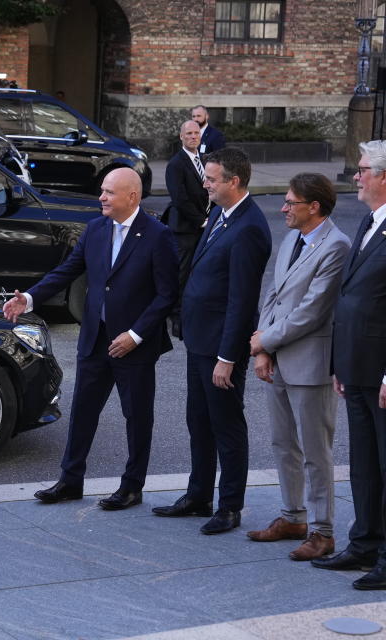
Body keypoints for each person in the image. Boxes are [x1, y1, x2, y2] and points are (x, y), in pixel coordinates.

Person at [3, 168, 178, 510]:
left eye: (109, 192)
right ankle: (70, 481)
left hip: (133, 345)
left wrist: (136, 334)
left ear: (132, 197)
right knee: (83, 412)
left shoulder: (158, 235)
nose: (101, 197)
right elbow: (67, 270)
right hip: (95, 339)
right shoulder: (96, 228)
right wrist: (30, 299)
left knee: (137, 416)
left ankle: (131, 487)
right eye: (102, 191)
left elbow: (166, 295)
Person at [153, 147, 271, 534]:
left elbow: (241, 300)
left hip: (221, 347)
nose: (205, 184)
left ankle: (230, 506)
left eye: (212, 179)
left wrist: (227, 357)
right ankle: (198, 494)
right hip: (199, 340)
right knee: (198, 421)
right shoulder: (221, 212)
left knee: (226, 426)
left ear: (234, 182)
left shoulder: (250, 227)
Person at [246, 173, 350, 560]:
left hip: (310, 364)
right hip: (278, 359)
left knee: (315, 451)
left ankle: (323, 531)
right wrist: (263, 350)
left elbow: (313, 312)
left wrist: (265, 341)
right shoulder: (291, 238)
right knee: (282, 444)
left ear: (314, 207)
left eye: (291, 202)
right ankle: (293, 517)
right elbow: (273, 296)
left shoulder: (337, 246)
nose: (284, 208)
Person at [312, 140, 386, 590]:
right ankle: (365, 542)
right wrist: (340, 362)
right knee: (363, 463)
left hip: (380, 374)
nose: (355, 176)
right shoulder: (368, 222)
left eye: (362, 170)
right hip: (356, 367)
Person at [163, 120, 211, 337]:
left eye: (196, 133)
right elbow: (180, 199)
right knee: (181, 273)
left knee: (198, 270)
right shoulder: (176, 164)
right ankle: (177, 317)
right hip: (185, 227)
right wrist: (201, 221)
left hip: (203, 225)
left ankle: (193, 311)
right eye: (189, 133)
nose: (193, 136)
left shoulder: (203, 159)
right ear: (181, 137)